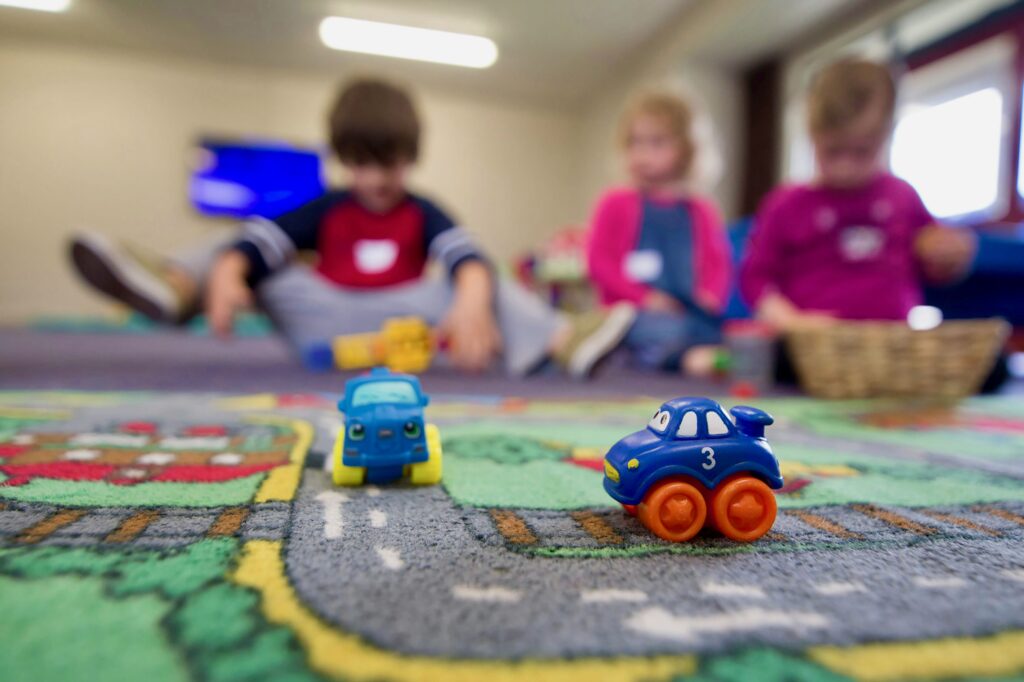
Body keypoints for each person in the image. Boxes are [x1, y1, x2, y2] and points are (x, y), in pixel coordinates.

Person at [68, 78, 635, 378]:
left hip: (403, 320)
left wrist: (471, 299)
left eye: (388, 163)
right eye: (360, 162)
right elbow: (258, 243)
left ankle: (565, 341)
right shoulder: (328, 205)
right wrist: (230, 271)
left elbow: (465, 257)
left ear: (410, 157)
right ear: (343, 158)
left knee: (479, 274)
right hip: (321, 318)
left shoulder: (422, 209)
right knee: (237, 244)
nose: (375, 178)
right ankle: (175, 287)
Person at [740, 59, 976, 330]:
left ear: (886, 137)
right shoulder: (786, 204)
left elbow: (933, 268)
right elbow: (755, 279)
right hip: (809, 351)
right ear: (812, 137)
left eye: (862, 152)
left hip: (892, 346)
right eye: (832, 151)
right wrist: (792, 322)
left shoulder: (902, 196)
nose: (845, 167)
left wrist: (949, 257)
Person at [586, 90, 732, 374]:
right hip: (631, 313)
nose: (642, 154)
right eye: (634, 143)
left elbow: (718, 264)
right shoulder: (615, 203)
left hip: (684, 312)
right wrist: (646, 299)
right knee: (643, 329)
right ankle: (673, 358)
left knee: (714, 331)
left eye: (657, 143)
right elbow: (599, 264)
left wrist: (709, 296)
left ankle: (674, 355)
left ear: (686, 149)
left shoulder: (700, 210)